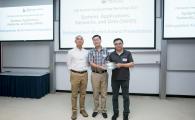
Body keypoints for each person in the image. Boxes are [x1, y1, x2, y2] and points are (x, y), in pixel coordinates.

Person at [109, 38, 134, 120]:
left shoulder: (128, 53)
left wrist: (121, 65)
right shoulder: (111, 54)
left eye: (119, 43)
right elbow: (108, 65)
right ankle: (115, 113)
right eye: (116, 44)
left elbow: (132, 64)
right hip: (115, 79)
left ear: (122, 44)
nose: (118, 45)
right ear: (114, 45)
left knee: (126, 97)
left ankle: (126, 113)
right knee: (114, 97)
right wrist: (112, 65)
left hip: (125, 78)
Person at [67, 35, 89, 120]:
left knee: (83, 93)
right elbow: (68, 64)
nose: (79, 41)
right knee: (74, 94)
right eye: (78, 39)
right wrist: (73, 72)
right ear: (75, 41)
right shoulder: (70, 52)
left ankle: (82, 109)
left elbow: (88, 63)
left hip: (84, 74)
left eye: (81, 39)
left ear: (83, 41)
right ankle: (74, 111)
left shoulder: (86, 52)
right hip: (75, 74)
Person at [88, 35, 109, 118]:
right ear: (93, 42)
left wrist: (106, 64)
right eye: (94, 40)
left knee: (104, 93)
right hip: (95, 74)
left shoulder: (106, 50)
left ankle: (103, 110)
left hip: (104, 74)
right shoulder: (91, 51)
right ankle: (96, 109)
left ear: (100, 40)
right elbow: (91, 62)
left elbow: (108, 61)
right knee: (95, 93)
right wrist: (100, 66)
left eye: (97, 39)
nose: (96, 41)